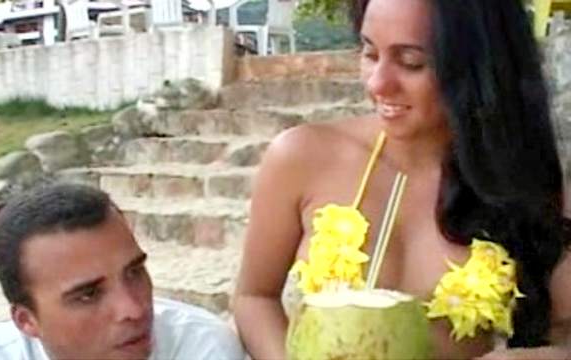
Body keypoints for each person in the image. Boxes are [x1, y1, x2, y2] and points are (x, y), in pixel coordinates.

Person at [233, 0, 571, 359]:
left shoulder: (528, 186)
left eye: (411, 62)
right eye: (369, 53)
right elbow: (254, 296)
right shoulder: (301, 156)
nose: (378, 83)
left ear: (478, 66)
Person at [0, 184, 245, 360]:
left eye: (134, 272)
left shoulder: (199, 348)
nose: (134, 309)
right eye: (88, 294)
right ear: (27, 321)